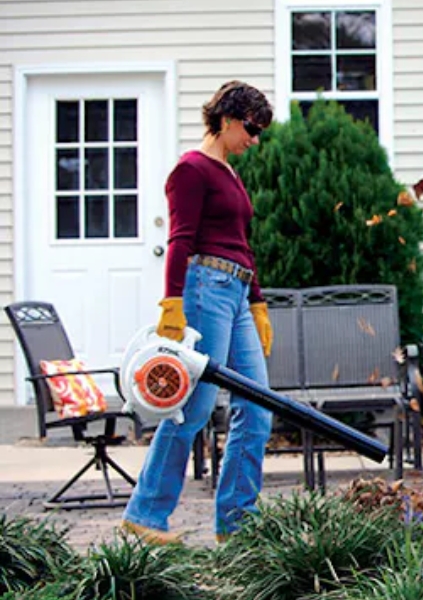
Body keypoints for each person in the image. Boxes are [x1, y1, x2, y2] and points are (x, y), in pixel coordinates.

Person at [121, 80, 275, 545]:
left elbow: (242, 245)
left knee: (258, 406)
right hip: (205, 289)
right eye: (251, 128)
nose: (255, 139)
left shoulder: (229, 173)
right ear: (227, 119)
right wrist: (172, 302)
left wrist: (258, 301)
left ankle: (236, 525)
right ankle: (145, 515)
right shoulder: (191, 170)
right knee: (197, 406)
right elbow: (180, 240)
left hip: (237, 292)